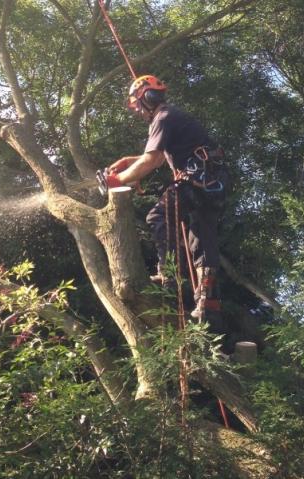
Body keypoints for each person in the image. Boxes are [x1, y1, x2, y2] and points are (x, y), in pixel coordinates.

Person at [105, 74, 229, 324]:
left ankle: (169, 275)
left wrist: (118, 181)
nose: (139, 112)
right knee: (202, 240)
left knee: (159, 216)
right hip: (214, 184)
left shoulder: (162, 117)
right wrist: (130, 164)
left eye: (138, 105)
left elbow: (151, 160)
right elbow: (158, 157)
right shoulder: (171, 116)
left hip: (197, 180)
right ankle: (208, 305)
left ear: (147, 98)